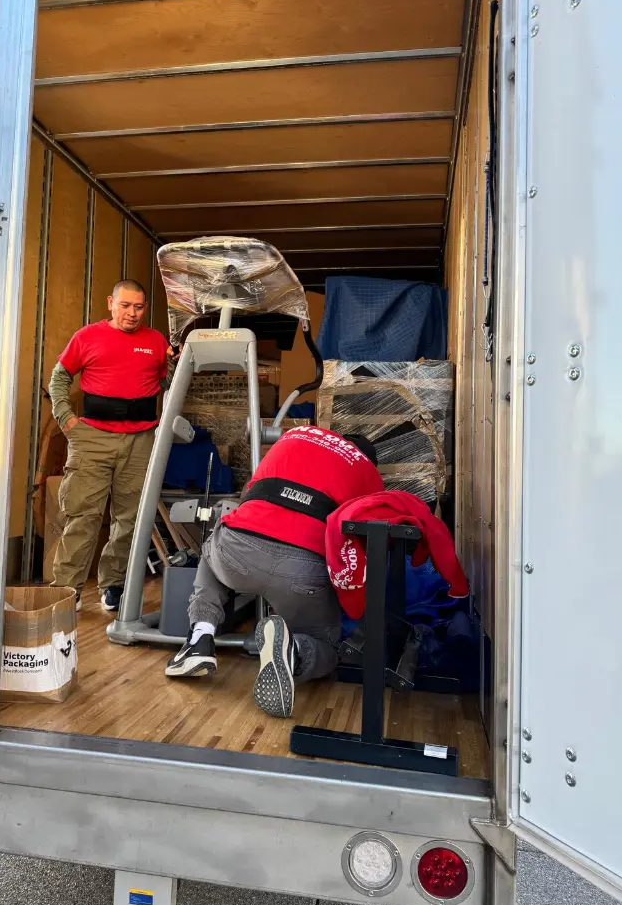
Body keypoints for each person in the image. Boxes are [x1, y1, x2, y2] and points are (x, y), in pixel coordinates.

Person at [165, 425, 384, 718]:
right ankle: (293, 652)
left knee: (211, 550)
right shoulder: (369, 474)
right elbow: (360, 543)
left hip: (237, 551)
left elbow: (247, 495)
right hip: (302, 570)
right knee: (328, 649)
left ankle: (200, 638)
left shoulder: (297, 435)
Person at [49, 279, 170, 612]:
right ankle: (66, 589)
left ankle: (113, 585)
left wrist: (175, 362)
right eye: (125, 305)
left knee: (129, 519)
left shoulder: (156, 341)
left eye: (139, 307)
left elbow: (168, 382)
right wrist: (66, 419)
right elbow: (59, 377)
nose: (132, 313)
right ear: (110, 303)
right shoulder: (87, 336)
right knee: (81, 515)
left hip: (140, 439)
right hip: (92, 438)